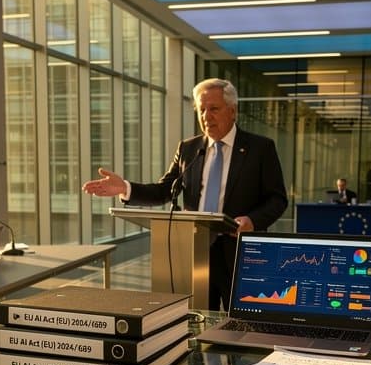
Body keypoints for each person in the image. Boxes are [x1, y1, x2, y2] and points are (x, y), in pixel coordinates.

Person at [83, 78, 288, 310]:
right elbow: (164, 190)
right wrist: (125, 188)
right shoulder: (188, 149)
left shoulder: (260, 148)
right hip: (195, 252)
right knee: (197, 319)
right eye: (201, 110)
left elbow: (277, 199)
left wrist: (252, 221)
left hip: (242, 254)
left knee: (243, 321)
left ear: (232, 111)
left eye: (214, 109)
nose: (206, 116)